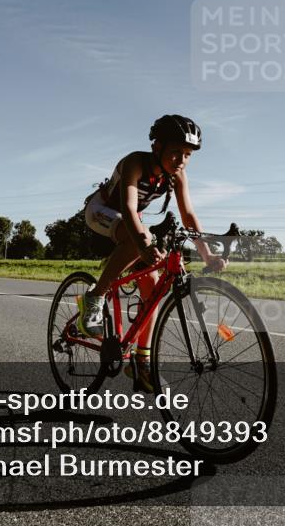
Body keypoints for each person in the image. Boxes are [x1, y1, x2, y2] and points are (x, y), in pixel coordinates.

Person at [80, 115, 227, 390]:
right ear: (157, 147)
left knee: (153, 287)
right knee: (144, 238)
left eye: (187, 154)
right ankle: (94, 298)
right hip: (101, 212)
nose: (181, 160)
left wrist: (207, 255)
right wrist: (144, 245)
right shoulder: (134, 163)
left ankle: (142, 364)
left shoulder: (178, 175)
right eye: (176, 152)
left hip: (129, 221)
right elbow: (127, 208)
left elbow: (189, 215)